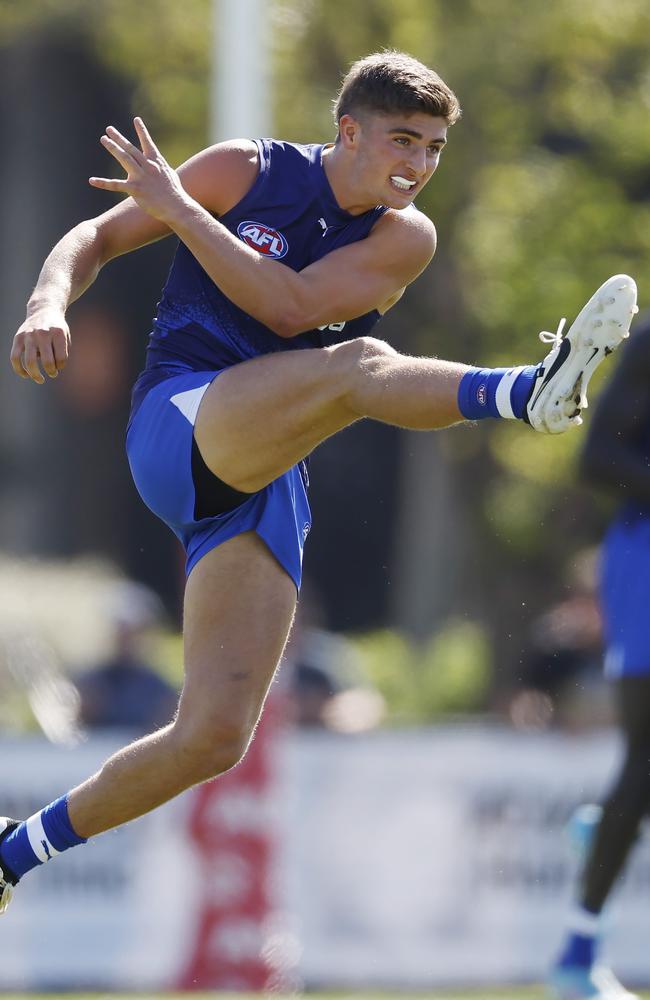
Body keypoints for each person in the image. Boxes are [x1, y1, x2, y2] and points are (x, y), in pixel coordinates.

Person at [0, 50, 637, 914]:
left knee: (213, 736)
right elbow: (97, 238)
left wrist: (182, 210)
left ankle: (14, 851)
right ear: (348, 130)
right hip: (177, 420)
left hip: (260, 469)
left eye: (436, 148)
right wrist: (46, 303)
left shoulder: (405, 234)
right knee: (362, 365)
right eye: (403, 141)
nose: (418, 165)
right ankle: (528, 391)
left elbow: (289, 308)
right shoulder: (244, 169)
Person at [548, 316, 650, 1000]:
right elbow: (597, 460)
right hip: (645, 555)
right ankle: (576, 956)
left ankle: (616, 820)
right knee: (648, 755)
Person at [74, 581, 178, 734]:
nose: (125, 639)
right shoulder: (89, 684)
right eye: (120, 631)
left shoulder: (162, 691)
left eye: (132, 632)